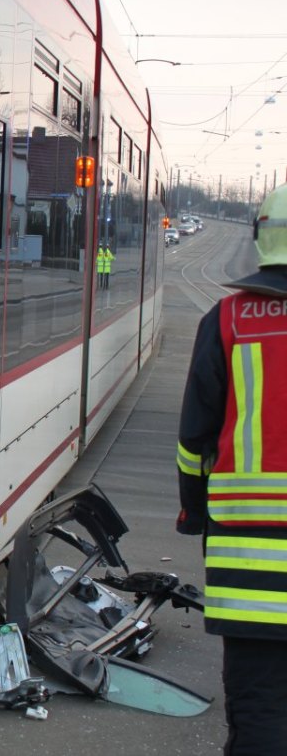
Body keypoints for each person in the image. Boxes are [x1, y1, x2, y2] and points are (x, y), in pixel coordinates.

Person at [177, 185, 287, 755]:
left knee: (260, 705)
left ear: (260, 236)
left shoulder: (228, 322)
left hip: (249, 559)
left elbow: (193, 439)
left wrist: (193, 512)